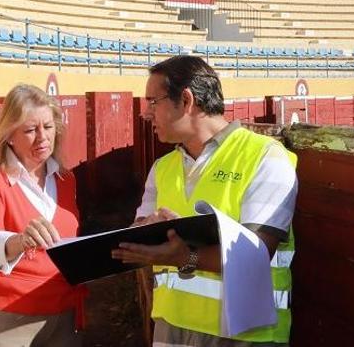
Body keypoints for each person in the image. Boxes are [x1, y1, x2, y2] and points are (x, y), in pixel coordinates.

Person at [112, 55, 297, 347]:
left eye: (153, 101)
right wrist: (147, 230)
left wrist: (184, 257)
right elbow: (138, 236)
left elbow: (257, 251)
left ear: (186, 100)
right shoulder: (162, 168)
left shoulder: (265, 157)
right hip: (171, 327)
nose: (146, 113)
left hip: (246, 335)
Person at [0, 84, 84, 347]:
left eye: (48, 126)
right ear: (9, 135)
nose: (42, 137)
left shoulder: (67, 179)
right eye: (31, 130)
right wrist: (21, 240)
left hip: (64, 311)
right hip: (11, 315)